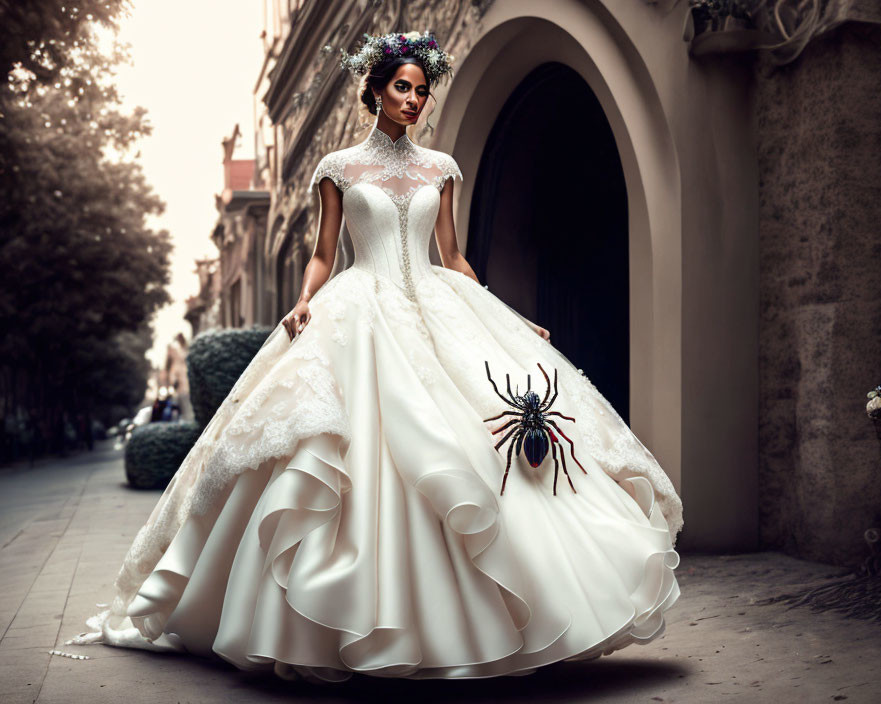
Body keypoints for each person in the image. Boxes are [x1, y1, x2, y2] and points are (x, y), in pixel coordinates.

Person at [64, 30, 682, 683]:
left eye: (422, 89)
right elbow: (326, 254)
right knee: (344, 447)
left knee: (470, 447)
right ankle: (341, 619)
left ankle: (512, 612)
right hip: (358, 312)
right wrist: (304, 300)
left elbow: (453, 257)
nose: (415, 100)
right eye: (403, 88)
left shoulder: (441, 169)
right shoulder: (337, 168)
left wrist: (511, 317)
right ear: (376, 92)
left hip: (438, 306)